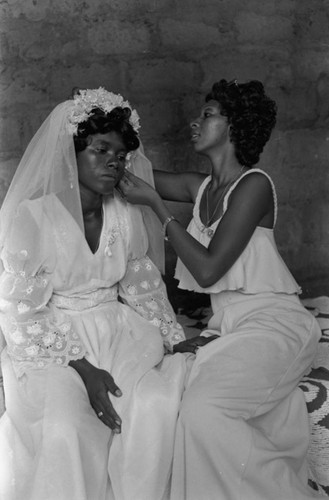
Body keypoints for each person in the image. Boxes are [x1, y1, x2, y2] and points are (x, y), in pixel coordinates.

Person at [119, 79, 324, 499]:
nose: (196, 122)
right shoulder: (201, 189)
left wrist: (157, 207)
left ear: (234, 127)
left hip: (276, 324)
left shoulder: (255, 185)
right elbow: (126, 176)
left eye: (208, 114)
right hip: (229, 328)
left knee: (202, 411)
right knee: (172, 405)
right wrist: (98, 120)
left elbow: (210, 271)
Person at [0, 87, 193, 500]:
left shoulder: (124, 214)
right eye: (100, 149)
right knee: (65, 427)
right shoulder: (33, 217)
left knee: (154, 404)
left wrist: (173, 338)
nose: (113, 162)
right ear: (70, 156)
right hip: (54, 343)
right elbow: (19, 312)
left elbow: (142, 286)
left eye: (120, 155)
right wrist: (85, 369)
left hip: (119, 333)